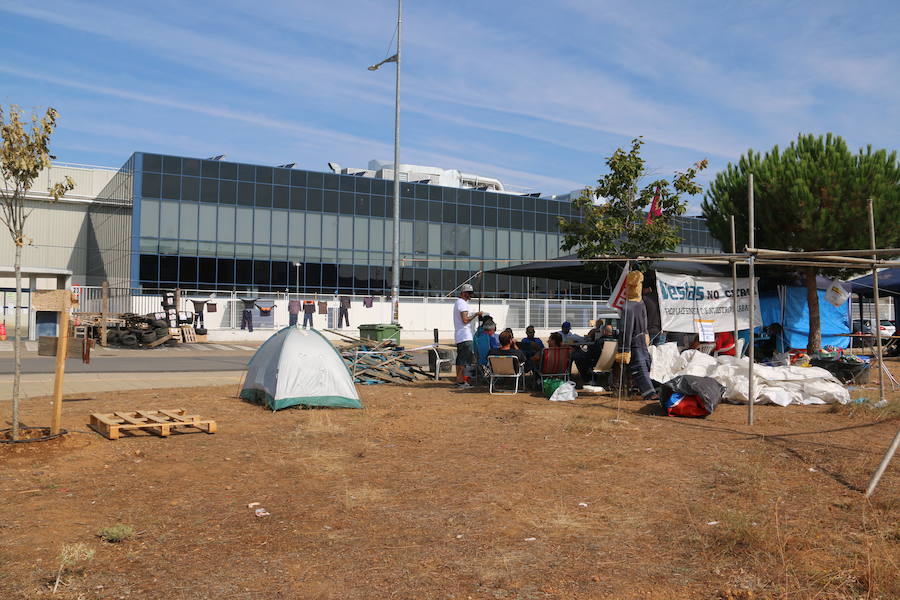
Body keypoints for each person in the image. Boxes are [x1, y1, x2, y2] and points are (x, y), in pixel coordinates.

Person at [620, 271, 658, 401]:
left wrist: (624, 350)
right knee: (644, 364)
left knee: (642, 364)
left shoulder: (630, 306)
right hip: (640, 338)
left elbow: (626, 330)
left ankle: (650, 391)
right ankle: (651, 389)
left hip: (637, 340)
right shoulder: (637, 304)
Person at [453, 284, 482, 389]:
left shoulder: (459, 303)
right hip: (465, 336)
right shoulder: (462, 304)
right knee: (465, 360)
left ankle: (459, 380)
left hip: (461, 336)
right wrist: (475, 314)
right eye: (469, 293)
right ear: (463, 293)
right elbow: (465, 320)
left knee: (461, 359)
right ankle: (462, 382)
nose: (470, 295)